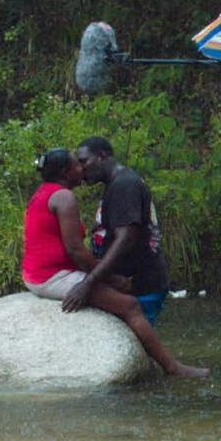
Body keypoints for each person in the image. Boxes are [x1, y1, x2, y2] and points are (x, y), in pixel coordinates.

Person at [69, 138, 208, 377]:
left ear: (102, 156)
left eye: (84, 161)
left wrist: (89, 282)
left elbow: (127, 238)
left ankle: (172, 371)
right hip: (127, 282)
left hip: (138, 284)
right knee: (133, 351)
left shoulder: (125, 185)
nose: (81, 169)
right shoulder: (118, 183)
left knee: (128, 353)